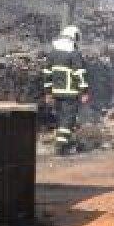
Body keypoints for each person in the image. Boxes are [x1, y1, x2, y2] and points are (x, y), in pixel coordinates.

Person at [41, 25, 89, 156]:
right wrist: (84, 91)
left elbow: (47, 74)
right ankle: (61, 146)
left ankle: (65, 143)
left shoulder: (53, 53)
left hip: (56, 93)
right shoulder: (74, 54)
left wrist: (48, 92)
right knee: (68, 120)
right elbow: (80, 74)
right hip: (70, 93)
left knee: (61, 119)